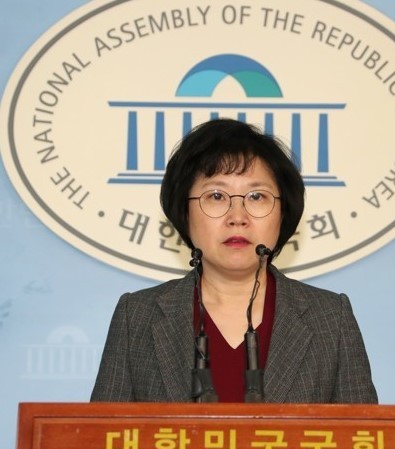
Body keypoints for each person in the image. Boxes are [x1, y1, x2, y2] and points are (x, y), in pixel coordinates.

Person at [91, 118, 378, 404]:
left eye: (257, 196)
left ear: (283, 212)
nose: (237, 216)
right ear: (184, 211)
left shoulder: (330, 318)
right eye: (216, 196)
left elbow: (363, 444)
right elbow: (99, 444)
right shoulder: (137, 317)